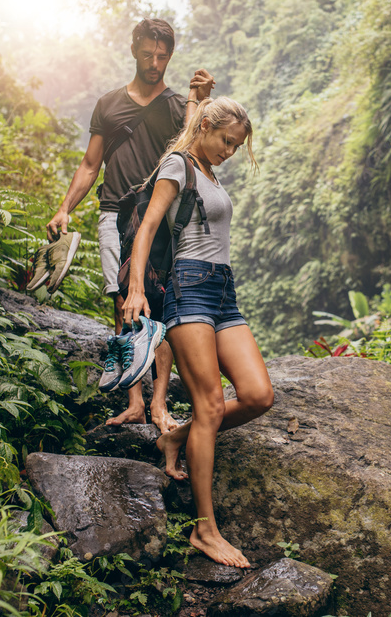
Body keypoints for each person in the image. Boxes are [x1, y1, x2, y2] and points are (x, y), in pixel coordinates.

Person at [122, 96, 274, 568]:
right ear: (206, 127)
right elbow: (148, 228)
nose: (230, 150)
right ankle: (204, 531)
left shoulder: (209, 171)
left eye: (237, 145)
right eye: (227, 140)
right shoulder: (177, 163)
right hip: (188, 288)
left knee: (257, 394)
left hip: (223, 291)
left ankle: (176, 437)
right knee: (210, 403)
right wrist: (135, 291)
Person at [45, 18, 215, 434]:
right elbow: (90, 165)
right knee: (123, 304)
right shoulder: (108, 104)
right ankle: (135, 401)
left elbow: (193, 153)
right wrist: (65, 207)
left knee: (160, 305)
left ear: (169, 56)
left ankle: (158, 403)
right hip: (112, 212)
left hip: (160, 218)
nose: (154, 62)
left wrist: (198, 101)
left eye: (162, 56)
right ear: (134, 50)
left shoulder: (178, 107)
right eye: (147, 54)